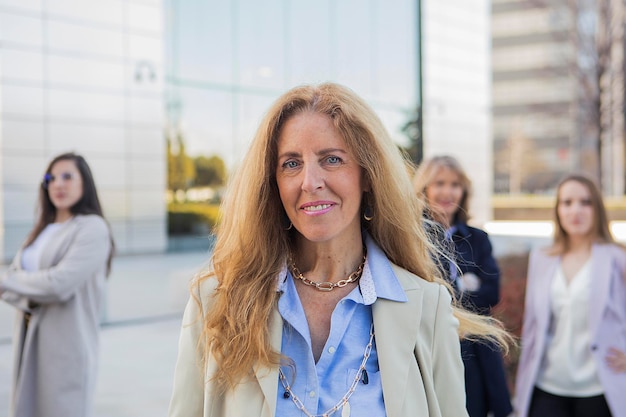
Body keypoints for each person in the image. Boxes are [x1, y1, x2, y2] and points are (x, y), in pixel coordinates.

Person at [168, 83, 510, 417]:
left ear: (367, 175)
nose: (310, 182)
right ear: (272, 183)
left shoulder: (427, 307)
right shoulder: (216, 301)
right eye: (291, 163)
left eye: (331, 159)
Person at [0, 152, 114, 417]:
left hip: (65, 349)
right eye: (51, 178)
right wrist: (22, 287)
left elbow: (59, 284)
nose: (58, 184)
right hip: (29, 344)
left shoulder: (92, 228)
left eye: (67, 176)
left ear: (84, 182)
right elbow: (18, 283)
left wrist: (10, 281)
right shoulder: (41, 229)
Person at [514, 173, 626, 417]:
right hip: (547, 385)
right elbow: (533, 326)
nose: (576, 210)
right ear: (558, 210)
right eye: (567, 202)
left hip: (600, 388)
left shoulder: (618, 258)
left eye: (585, 202)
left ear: (597, 208)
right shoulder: (542, 258)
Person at [412, 155, 513, 417]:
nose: (448, 191)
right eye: (440, 183)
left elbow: (491, 293)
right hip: (430, 349)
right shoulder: (412, 236)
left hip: (475, 351)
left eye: (455, 184)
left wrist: (448, 289)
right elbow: (419, 293)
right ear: (425, 188)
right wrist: (465, 285)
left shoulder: (478, 239)